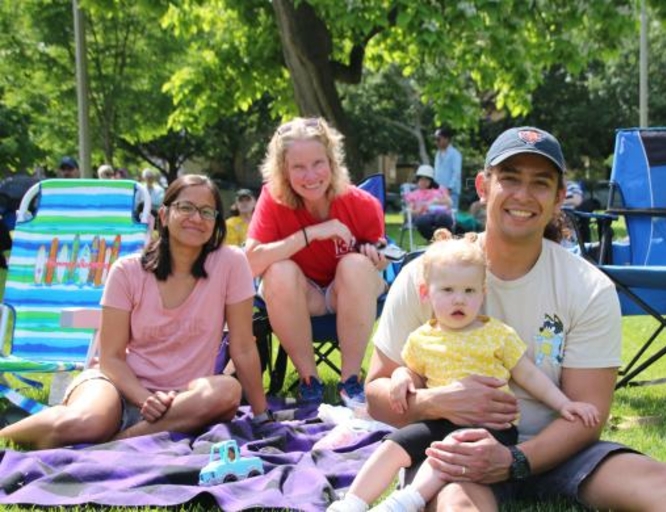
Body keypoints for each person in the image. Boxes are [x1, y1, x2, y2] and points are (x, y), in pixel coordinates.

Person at [364, 127, 666, 511]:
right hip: (454, 447)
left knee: (663, 483)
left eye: (540, 183)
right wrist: (436, 402)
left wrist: (515, 460)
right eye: (510, 179)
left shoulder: (588, 287)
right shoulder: (430, 276)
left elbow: (588, 414)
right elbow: (378, 396)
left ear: (559, 197)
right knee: (456, 505)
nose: (523, 195)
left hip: (557, 450)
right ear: (483, 187)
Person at [329, 229, 598, 512]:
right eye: (447, 290)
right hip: (440, 419)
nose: (459, 300)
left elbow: (528, 375)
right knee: (393, 445)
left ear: (482, 294)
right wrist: (399, 377)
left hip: (492, 428)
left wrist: (564, 404)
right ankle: (351, 503)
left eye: (469, 291)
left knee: (451, 450)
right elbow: (412, 373)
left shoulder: (496, 334)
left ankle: (404, 502)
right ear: (426, 293)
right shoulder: (422, 338)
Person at [0, 174, 269, 449]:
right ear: (164, 215)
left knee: (226, 391)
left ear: (216, 222)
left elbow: (244, 347)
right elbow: (111, 357)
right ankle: (5, 437)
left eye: (206, 212)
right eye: (185, 208)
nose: (196, 218)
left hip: (183, 401)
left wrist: (262, 418)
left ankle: (117, 443)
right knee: (86, 423)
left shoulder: (231, 264)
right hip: (118, 385)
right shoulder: (127, 270)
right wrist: (143, 399)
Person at [245, 116, 389, 407]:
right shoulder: (273, 200)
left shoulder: (362, 204)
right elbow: (250, 264)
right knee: (278, 270)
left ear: (332, 162)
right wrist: (311, 234)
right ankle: (309, 381)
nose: (310, 176)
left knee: (356, 265)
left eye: (317, 163)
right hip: (300, 296)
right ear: (283, 170)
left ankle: (351, 382)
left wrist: (378, 258)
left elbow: (381, 261)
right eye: (298, 166)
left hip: (345, 295)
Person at [404, 164, 453, 241]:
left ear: (431, 181)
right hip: (424, 215)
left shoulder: (440, 190)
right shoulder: (413, 195)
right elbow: (410, 210)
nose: (424, 182)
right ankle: (435, 241)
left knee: (443, 218)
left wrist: (437, 201)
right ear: (417, 180)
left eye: (427, 180)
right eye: (421, 179)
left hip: (440, 213)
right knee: (422, 222)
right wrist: (417, 211)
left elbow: (449, 203)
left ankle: (444, 240)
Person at [433, 128, 463, 211]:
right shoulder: (437, 154)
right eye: (435, 139)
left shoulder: (455, 154)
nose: (436, 142)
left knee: (451, 217)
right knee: (437, 214)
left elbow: (456, 173)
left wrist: (449, 189)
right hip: (438, 191)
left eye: (438, 139)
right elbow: (436, 173)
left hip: (451, 192)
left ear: (446, 139)